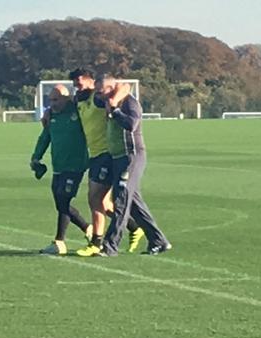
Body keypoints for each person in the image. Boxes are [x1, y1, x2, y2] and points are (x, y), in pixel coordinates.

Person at [80, 75, 171, 257]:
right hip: (117, 158)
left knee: (120, 199)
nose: (99, 95)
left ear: (112, 88)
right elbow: (99, 98)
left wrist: (115, 110)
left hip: (132, 156)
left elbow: (131, 124)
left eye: (102, 91)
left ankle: (110, 246)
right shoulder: (106, 99)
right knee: (135, 204)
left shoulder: (129, 103)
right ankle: (158, 240)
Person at [58, 68, 145, 256]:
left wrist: (113, 101)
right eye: (74, 85)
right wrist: (48, 113)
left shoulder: (98, 99)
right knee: (104, 204)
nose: (77, 88)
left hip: (107, 153)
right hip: (95, 155)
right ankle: (134, 227)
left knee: (94, 198)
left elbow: (124, 85)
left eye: (80, 84)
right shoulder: (78, 101)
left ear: (92, 82)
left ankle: (96, 242)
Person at [31, 85, 91, 255]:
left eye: (56, 100)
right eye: (50, 100)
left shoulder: (78, 112)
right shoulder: (52, 116)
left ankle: (59, 242)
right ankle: (88, 229)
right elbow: (45, 138)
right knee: (61, 204)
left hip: (75, 165)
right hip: (58, 167)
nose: (52, 104)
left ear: (66, 98)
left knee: (64, 200)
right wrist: (36, 157)